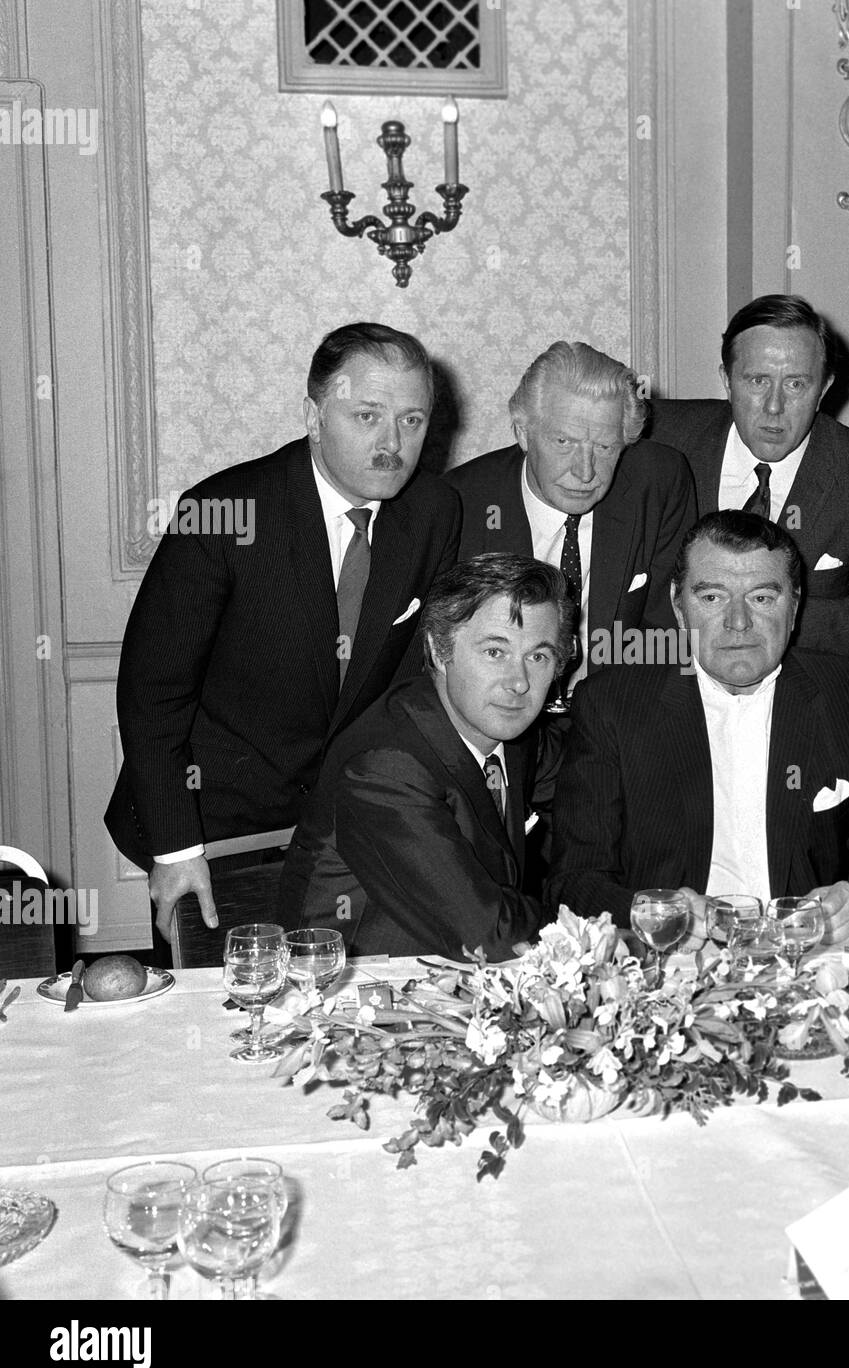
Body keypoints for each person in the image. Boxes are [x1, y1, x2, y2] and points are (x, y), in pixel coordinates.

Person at [105, 322, 462, 942]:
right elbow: (151, 693)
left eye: (412, 421)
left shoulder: (434, 512)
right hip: (214, 825)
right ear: (314, 416)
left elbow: (412, 683)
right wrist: (175, 850)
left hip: (343, 824)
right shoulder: (219, 514)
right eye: (367, 416)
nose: (392, 444)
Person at [547, 511, 849, 943]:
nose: (739, 622)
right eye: (712, 598)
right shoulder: (611, 704)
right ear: (678, 604)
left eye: (762, 598)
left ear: (795, 605)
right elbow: (574, 883)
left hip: (814, 960)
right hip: (675, 965)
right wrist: (657, 914)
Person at [277, 555, 574, 961]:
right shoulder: (386, 765)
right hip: (358, 998)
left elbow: (600, 778)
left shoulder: (511, 731)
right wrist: (603, 926)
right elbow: (489, 936)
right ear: (438, 649)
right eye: (494, 652)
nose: (519, 682)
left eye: (538, 657)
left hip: (461, 987)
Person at [648, 294, 849, 658]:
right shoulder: (658, 439)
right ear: (726, 380)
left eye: (796, 384)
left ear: (824, 389)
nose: (774, 407)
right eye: (757, 381)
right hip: (668, 673)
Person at [445, 341, 696, 697]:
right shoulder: (460, 505)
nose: (585, 472)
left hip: (616, 709)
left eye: (605, 448)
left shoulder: (659, 482)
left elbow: (668, 631)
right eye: (564, 442)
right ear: (522, 432)